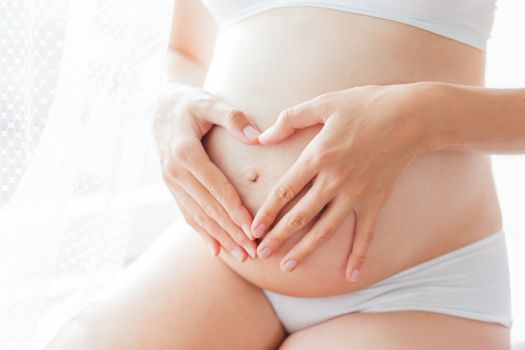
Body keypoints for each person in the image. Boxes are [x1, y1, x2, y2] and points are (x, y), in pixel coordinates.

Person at [46, 0, 522, 349]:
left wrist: (418, 116)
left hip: (416, 286)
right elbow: (185, 52)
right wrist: (169, 104)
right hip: (221, 254)